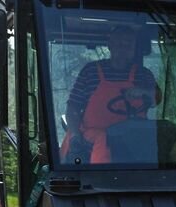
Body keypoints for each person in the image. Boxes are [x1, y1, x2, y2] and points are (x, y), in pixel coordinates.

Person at [61, 24, 159, 164]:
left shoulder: (144, 75)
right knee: (104, 139)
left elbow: (157, 99)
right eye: (119, 42)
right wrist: (76, 135)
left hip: (133, 138)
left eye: (128, 43)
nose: (123, 47)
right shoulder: (90, 72)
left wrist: (144, 92)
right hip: (93, 136)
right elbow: (73, 107)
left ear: (134, 47)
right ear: (110, 44)